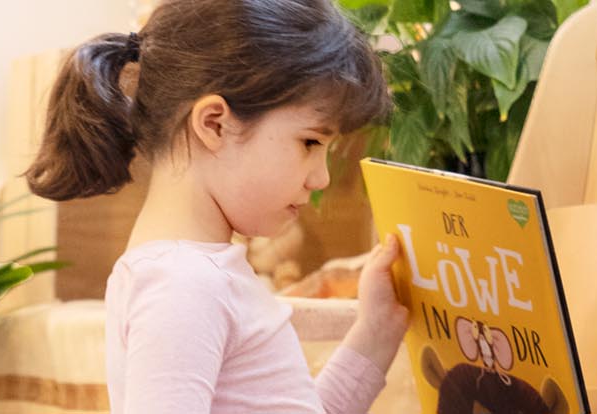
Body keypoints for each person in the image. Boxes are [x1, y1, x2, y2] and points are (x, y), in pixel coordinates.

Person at [23, 0, 406, 412]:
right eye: (311, 142)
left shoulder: (197, 276)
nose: (321, 178)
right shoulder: (183, 284)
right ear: (213, 124)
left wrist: (376, 331)